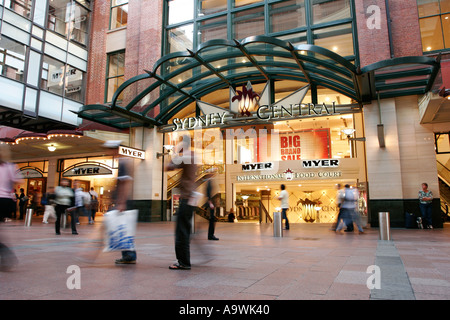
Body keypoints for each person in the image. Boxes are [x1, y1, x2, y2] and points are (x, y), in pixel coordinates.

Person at [166, 135, 198, 270]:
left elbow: (168, 166)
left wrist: (174, 151)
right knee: (185, 230)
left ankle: (183, 262)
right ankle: (184, 260)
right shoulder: (193, 155)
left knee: (181, 232)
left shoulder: (186, 155)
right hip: (191, 196)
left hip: (186, 197)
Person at [0, 144, 20, 271]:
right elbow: (18, 180)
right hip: (5, 201)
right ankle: (7, 256)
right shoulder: (11, 166)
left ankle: (8, 255)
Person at [205, 170, 219, 240]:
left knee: (212, 219)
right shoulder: (209, 182)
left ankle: (211, 235)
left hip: (211, 204)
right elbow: (208, 194)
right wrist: (210, 203)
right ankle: (211, 235)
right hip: (211, 204)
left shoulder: (210, 181)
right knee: (212, 219)